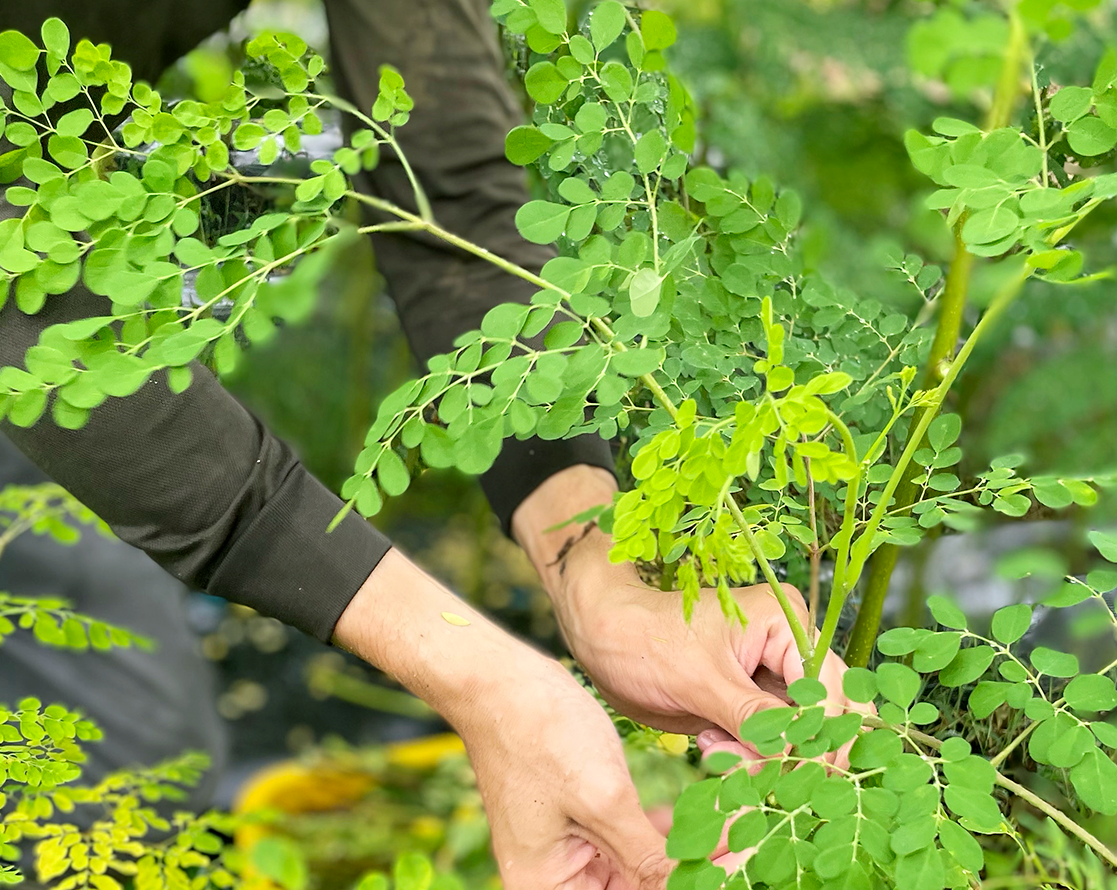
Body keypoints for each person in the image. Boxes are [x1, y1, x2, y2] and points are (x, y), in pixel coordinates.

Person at [0, 1, 850, 887]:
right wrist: (480, 680)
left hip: (51, 325)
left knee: (130, 781)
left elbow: (450, 181)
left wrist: (598, 565)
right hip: (44, 327)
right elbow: (20, 307)